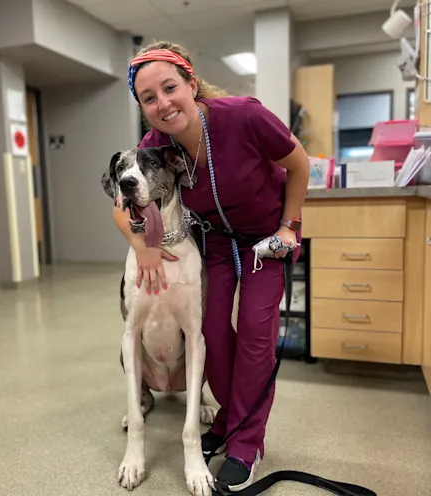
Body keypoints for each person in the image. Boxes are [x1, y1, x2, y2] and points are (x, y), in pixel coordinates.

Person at [112, 40, 310, 490]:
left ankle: (246, 443)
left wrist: (289, 226)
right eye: (149, 98)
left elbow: (299, 165)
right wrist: (141, 246)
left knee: (257, 339)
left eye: (169, 87)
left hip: (266, 241)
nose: (162, 103)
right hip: (216, 244)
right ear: (143, 108)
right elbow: (122, 205)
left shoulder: (244, 116)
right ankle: (226, 421)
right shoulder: (156, 146)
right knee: (213, 337)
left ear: (191, 84)